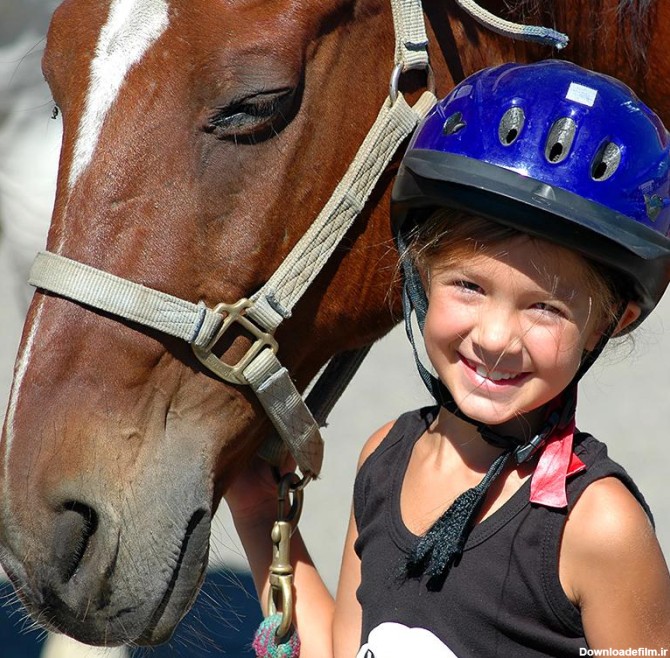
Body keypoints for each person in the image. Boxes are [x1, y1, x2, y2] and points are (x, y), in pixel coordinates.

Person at [225, 60, 670, 657]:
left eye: (545, 307)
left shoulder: (597, 526)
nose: (496, 337)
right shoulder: (385, 459)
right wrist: (260, 514)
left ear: (612, 323)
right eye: (469, 286)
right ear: (420, 273)